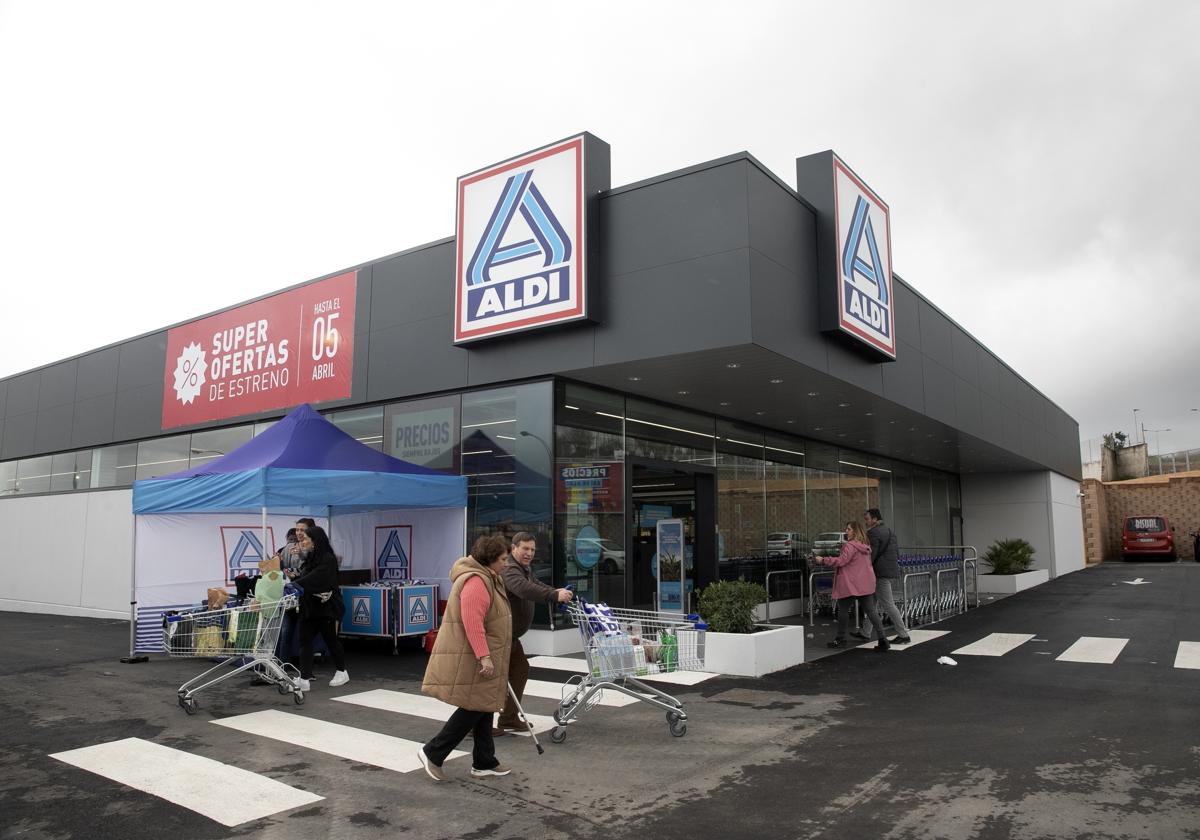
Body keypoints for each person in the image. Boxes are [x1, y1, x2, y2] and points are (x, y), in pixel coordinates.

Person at [417, 534, 513, 782]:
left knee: (483, 705)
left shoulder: (487, 577)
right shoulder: (477, 582)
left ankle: (484, 761)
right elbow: (473, 623)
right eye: (503, 559)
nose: (506, 563)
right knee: (473, 708)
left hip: (481, 654)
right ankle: (433, 752)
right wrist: (484, 656)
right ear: (490, 559)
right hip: (476, 655)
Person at [495, 532, 572, 736]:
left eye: (532, 549)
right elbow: (523, 589)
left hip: (510, 635)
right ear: (514, 548)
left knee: (519, 670)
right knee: (491, 679)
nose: (529, 553)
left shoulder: (524, 568)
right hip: (500, 635)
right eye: (525, 549)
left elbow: (536, 584)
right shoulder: (510, 569)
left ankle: (508, 717)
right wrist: (553, 595)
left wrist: (556, 591)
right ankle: (475, 724)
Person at [290, 525, 350, 690]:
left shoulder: (328, 559)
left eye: (306, 539)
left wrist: (297, 584)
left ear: (315, 541)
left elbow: (318, 578)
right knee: (305, 641)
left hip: (326, 608)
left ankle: (341, 671)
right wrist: (296, 579)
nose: (303, 541)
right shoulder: (311, 557)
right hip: (310, 607)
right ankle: (304, 678)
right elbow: (308, 576)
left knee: (331, 640)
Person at [817, 521, 889, 651]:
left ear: (855, 531)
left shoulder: (849, 546)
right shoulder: (865, 546)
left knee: (843, 611)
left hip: (850, 584)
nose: (846, 531)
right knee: (871, 612)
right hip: (865, 584)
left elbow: (841, 561)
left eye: (849, 529)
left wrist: (823, 560)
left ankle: (840, 639)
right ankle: (883, 640)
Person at [857, 508, 912, 645]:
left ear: (875, 519)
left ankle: (903, 634)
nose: (866, 522)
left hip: (879, 573)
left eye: (867, 519)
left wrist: (862, 569)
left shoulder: (873, 533)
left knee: (888, 604)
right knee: (872, 603)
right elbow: (896, 553)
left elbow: (871, 554)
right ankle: (866, 632)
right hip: (887, 570)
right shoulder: (889, 531)